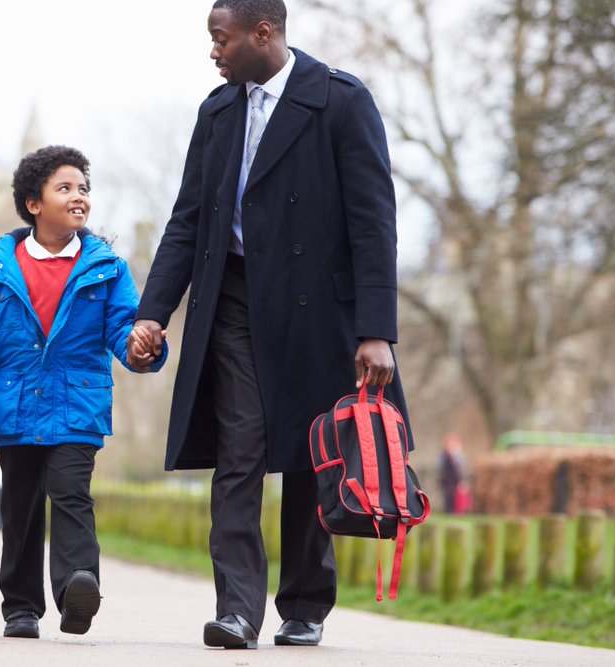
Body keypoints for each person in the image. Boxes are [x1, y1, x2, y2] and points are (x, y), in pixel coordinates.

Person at [127, 0, 410, 649]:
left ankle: (305, 603)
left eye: (220, 38)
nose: (213, 51)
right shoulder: (217, 111)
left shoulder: (339, 101)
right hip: (230, 304)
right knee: (239, 451)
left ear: (263, 33)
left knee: (314, 455)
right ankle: (236, 609)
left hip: (315, 311)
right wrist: (152, 312)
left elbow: (374, 221)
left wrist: (377, 329)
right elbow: (186, 221)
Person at [0, 145, 165, 640]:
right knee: (18, 506)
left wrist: (140, 349)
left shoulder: (107, 267)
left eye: (83, 189)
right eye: (64, 188)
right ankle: (21, 607)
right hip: (15, 406)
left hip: (77, 404)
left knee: (70, 493)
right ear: (33, 204)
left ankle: (77, 587)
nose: (78, 197)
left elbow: (123, 331)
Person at [439, 433, 467, 514]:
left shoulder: (459, 456)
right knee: (448, 496)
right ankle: (449, 511)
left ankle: (457, 511)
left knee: (458, 497)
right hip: (447, 480)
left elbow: (462, 468)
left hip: (456, 479)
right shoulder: (445, 455)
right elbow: (441, 466)